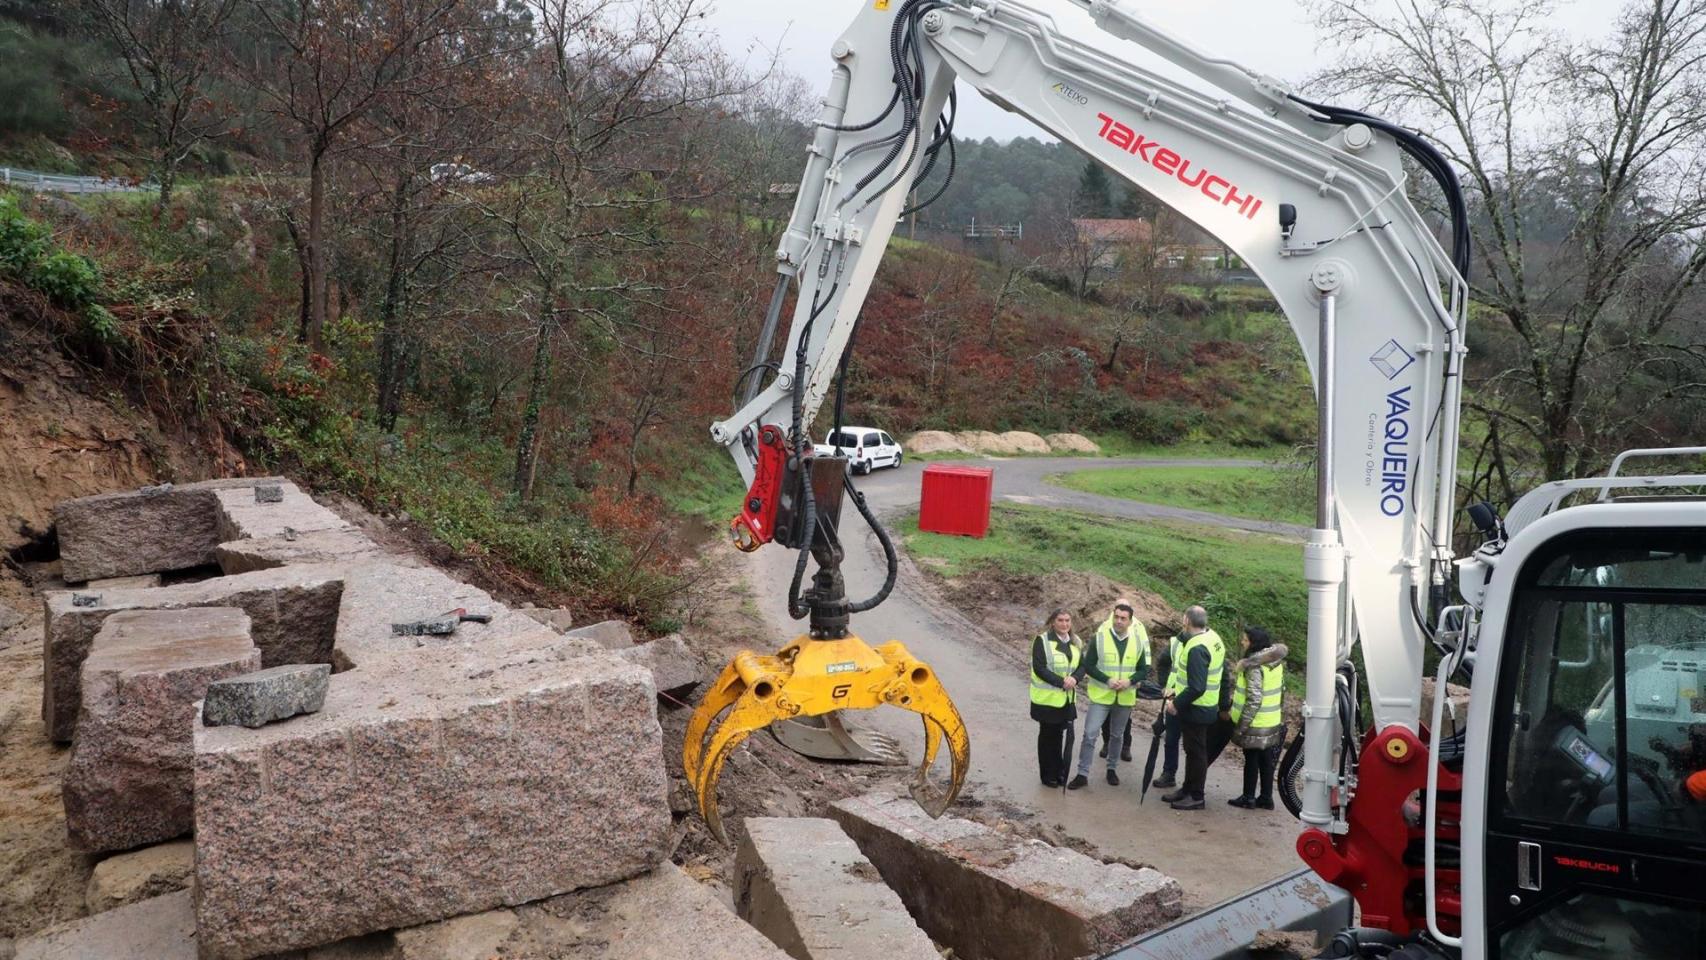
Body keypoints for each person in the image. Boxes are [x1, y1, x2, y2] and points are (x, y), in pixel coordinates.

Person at [1068, 601, 1148, 789]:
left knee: (1117, 736)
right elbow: (1088, 665)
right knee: (1090, 734)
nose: (1119, 621)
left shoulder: (1137, 641)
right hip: (1102, 696)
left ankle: (1112, 769)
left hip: (1125, 696)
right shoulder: (1100, 638)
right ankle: (1082, 774)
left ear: (1130, 621)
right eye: (1116, 617)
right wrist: (1107, 680)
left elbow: (1144, 670)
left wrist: (1129, 681)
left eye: (1123, 618)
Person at [1161, 605, 1225, 811]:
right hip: (1205, 706)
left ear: (1186, 620)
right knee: (1192, 750)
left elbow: (1197, 686)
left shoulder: (1197, 647)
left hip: (1197, 708)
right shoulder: (1213, 637)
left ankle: (1196, 795)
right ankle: (1187, 789)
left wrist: (1175, 704)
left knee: (1196, 752)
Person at [1225, 626, 1287, 810]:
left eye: (1245, 639)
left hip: (1255, 722)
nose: (1242, 642)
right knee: (1266, 760)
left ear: (1253, 643)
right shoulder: (1276, 663)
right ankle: (1266, 798)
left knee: (1251, 759)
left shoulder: (1254, 667)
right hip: (1271, 719)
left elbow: (1254, 699)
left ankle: (1248, 797)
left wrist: (1241, 727)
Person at [1030, 608, 1084, 788]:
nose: (1064, 624)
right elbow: (1040, 668)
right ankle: (1048, 775)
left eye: (1068, 621)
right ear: (1053, 622)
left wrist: (1075, 678)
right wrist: (1062, 682)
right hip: (1047, 700)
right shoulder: (1042, 641)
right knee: (1048, 738)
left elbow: (1082, 666)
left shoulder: (1075, 642)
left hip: (1066, 700)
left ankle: (1059, 770)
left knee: (1059, 735)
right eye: (1060, 620)